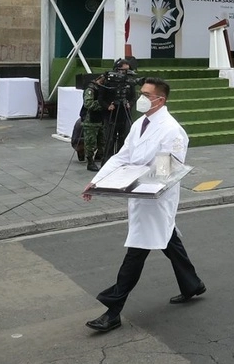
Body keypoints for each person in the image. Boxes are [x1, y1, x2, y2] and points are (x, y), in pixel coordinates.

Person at [84, 78, 205, 333]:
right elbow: (122, 156)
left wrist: (134, 178)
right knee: (168, 240)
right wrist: (97, 181)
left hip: (155, 199)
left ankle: (113, 310)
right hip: (139, 196)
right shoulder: (140, 123)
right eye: (141, 92)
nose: (141, 97)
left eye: (146, 94)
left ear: (160, 100)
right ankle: (192, 284)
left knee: (136, 253)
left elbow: (166, 169)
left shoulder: (172, 130)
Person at [80, 73, 107, 171]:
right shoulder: (90, 89)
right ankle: (90, 162)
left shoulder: (102, 89)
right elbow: (88, 103)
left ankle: (101, 158)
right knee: (90, 142)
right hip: (90, 120)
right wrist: (103, 105)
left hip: (100, 119)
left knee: (102, 141)